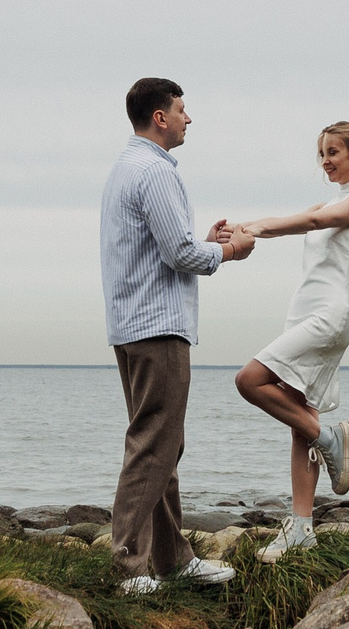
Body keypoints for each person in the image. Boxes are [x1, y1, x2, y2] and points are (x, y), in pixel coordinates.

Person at [100, 76, 253, 595]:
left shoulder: (126, 168)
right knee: (153, 445)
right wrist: (229, 251)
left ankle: (172, 560)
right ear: (160, 117)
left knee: (163, 444)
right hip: (157, 327)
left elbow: (167, 246)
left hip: (132, 323)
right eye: (183, 110)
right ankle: (127, 567)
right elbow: (181, 255)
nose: (190, 118)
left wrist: (200, 242)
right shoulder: (154, 171)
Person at [224, 121, 349, 562]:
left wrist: (254, 228)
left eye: (333, 152)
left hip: (330, 315)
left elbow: (312, 222)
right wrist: (242, 228)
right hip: (304, 312)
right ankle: (302, 528)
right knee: (299, 418)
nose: (326, 161)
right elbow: (291, 222)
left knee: (249, 380)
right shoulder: (329, 202)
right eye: (322, 154)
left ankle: (329, 438)